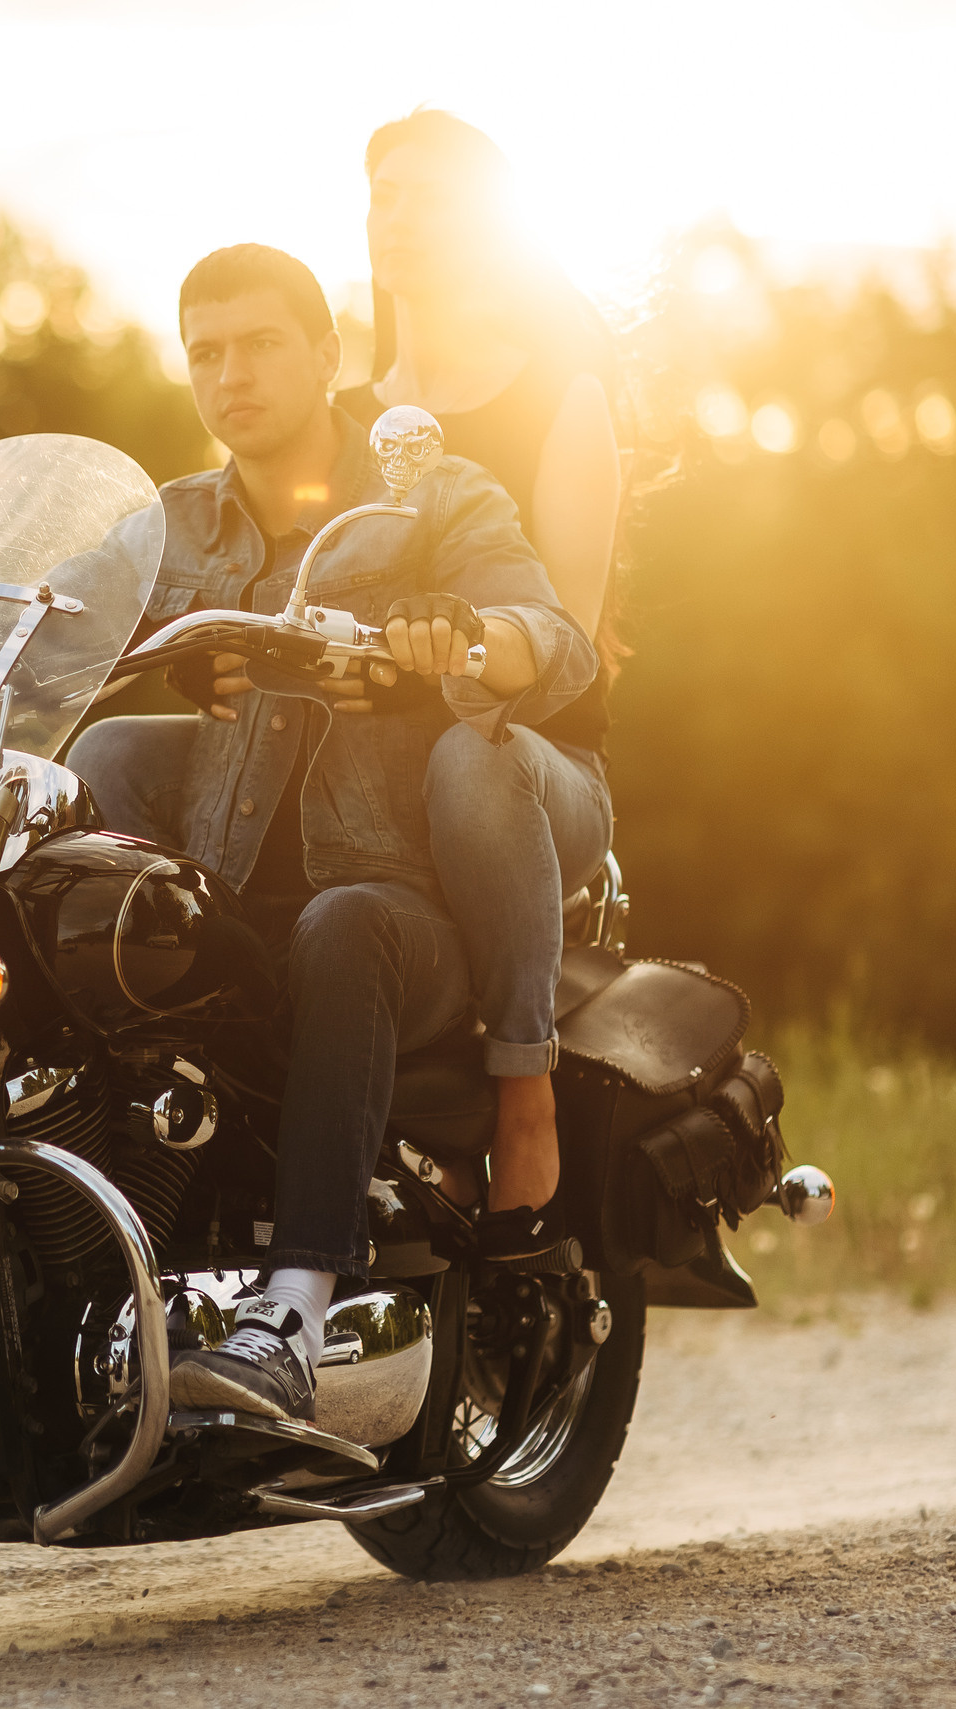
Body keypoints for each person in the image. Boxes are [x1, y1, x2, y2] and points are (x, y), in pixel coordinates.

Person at [67, 245, 595, 1422]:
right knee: (91, 771)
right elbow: (50, 622)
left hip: (403, 901)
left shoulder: (430, 492)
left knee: (344, 920)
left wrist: (457, 636)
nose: (231, 374)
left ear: (327, 355)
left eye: (259, 344)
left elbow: (552, 638)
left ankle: (292, 1315)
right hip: (235, 879)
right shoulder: (170, 523)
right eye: (205, 351)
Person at [334, 109, 626, 1231]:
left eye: (423, 195)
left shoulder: (559, 397)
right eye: (378, 193)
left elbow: (557, 664)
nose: (391, 217)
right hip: (362, 772)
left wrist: (455, 654)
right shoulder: (342, 416)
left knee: (470, 750)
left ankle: (523, 1081)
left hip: (531, 777)